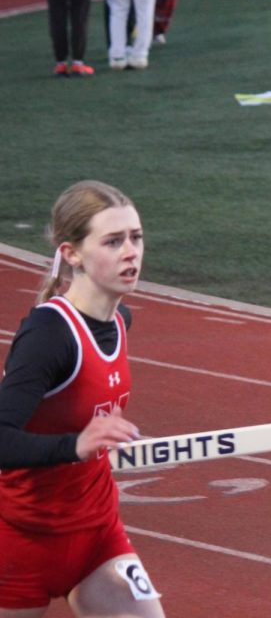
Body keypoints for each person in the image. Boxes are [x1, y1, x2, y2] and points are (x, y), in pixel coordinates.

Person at [0, 181, 164, 616]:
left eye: (136, 237)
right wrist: (74, 446)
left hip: (98, 535)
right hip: (19, 543)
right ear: (71, 253)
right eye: (113, 241)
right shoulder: (48, 336)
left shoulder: (120, 320)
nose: (131, 252)